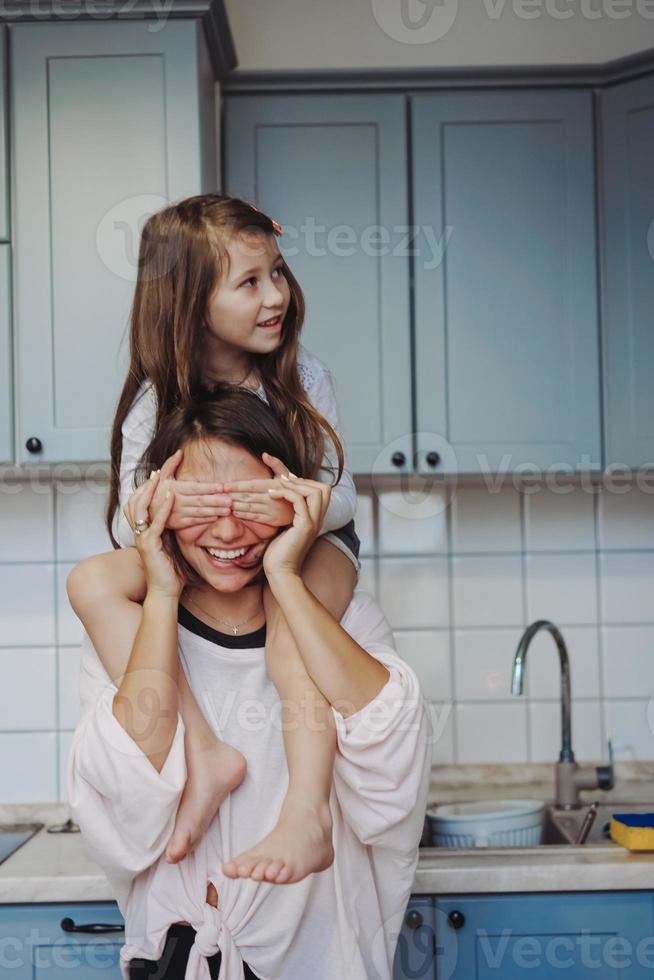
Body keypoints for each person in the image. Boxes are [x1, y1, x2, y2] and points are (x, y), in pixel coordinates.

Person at [67, 387, 431, 980]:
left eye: (253, 505)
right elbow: (126, 802)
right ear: (160, 502)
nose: (230, 532)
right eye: (203, 507)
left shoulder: (342, 619)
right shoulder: (133, 628)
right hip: (176, 956)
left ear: (292, 503)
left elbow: (392, 778)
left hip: (313, 959)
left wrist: (286, 574)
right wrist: (161, 589)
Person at [98, 193, 361, 882]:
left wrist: (287, 510)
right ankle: (206, 752)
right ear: (190, 302)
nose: (275, 295)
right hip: (203, 560)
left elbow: (344, 496)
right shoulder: (157, 398)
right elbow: (135, 505)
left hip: (310, 551)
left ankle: (308, 813)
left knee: (288, 628)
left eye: (276, 272)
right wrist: (171, 504)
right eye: (249, 282)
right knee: (93, 581)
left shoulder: (304, 380)